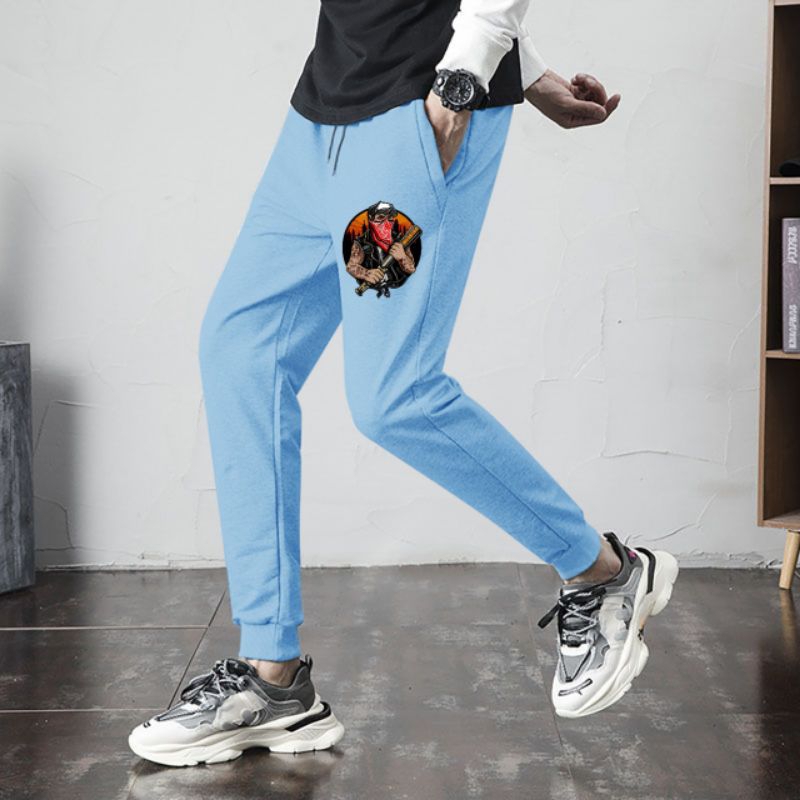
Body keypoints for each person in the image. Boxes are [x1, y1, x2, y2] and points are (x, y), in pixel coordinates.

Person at [128, 0, 679, 766]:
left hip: (409, 126)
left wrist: (465, 79)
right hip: (318, 123)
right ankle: (272, 677)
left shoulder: (437, 107)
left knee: (395, 393)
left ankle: (603, 571)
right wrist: (526, 69)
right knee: (240, 354)